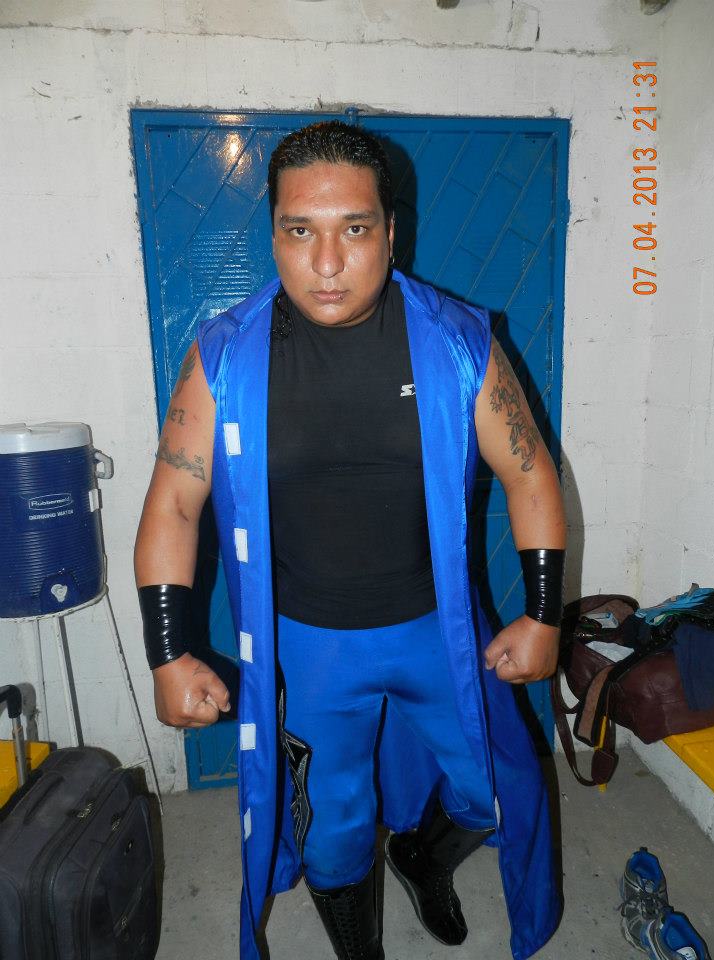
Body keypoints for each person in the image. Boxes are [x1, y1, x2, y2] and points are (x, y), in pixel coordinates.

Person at [134, 121, 566, 960]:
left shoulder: (457, 342)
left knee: (494, 792)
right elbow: (174, 505)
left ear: (391, 233)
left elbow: (529, 473)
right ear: (273, 235)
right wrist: (167, 651)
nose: (327, 262)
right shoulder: (224, 357)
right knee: (330, 830)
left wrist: (545, 612)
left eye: (354, 229)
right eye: (301, 231)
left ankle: (421, 855)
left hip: (438, 631)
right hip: (309, 648)